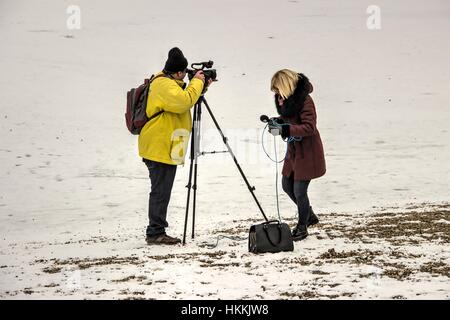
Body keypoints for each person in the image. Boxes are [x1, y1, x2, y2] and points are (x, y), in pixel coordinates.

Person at [138, 47, 211, 245]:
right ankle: (155, 232)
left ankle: (156, 230)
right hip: (158, 146)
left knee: (162, 189)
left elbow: (187, 97)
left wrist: (201, 86)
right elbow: (184, 101)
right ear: (178, 72)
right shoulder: (163, 85)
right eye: (184, 72)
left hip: (165, 145)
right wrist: (197, 81)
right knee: (160, 191)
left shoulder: (170, 84)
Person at [270, 69, 326, 241]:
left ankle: (302, 227)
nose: (277, 94)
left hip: (308, 152)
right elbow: (291, 120)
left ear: (285, 86)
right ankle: (308, 214)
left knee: (300, 191)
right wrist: (279, 122)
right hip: (294, 150)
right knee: (287, 184)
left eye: (278, 90)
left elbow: (310, 127)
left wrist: (287, 128)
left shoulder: (305, 100)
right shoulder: (285, 100)